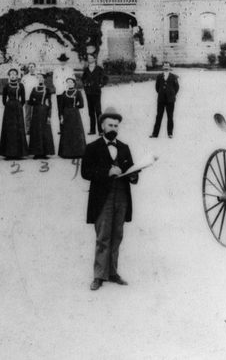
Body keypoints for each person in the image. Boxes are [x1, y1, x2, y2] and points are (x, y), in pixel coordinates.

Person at [81, 110, 139, 290]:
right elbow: (85, 172)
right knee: (103, 236)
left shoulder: (124, 147)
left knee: (117, 235)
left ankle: (113, 273)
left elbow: (131, 169)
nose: (113, 128)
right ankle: (99, 276)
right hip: (102, 198)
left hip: (121, 196)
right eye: (110, 125)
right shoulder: (92, 148)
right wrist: (107, 172)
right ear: (103, 126)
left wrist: (133, 175)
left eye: (116, 125)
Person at [0, 68, 27, 160]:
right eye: (11, 74)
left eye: (14, 74)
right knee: (9, 129)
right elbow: (3, 99)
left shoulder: (21, 85)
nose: (13, 75)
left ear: (17, 75)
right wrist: (8, 104)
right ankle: (8, 153)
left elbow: (23, 99)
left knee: (18, 129)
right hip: (9, 109)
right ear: (9, 76)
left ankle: (19, 152)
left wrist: (18, 105)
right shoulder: (6, 86)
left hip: (18, 108)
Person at [57, 77, 86, 159]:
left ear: (74, 83)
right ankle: (66, 153)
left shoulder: (78, 92)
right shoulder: (64, 93)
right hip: (66, 114)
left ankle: (78, 152)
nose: (69, 84)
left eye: (71, 82)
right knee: (67, 132)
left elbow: (82, 104)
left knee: (76, 132)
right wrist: (61, 116)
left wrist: (74, 107)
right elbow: (61, 106)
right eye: (68, 82)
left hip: (75, 115)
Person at [26, 77, 55, 159]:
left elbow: (49, 103)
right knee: (36, 131)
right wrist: (35, 102)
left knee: (44, 132)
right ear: (37, 80)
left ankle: (44, 153)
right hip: (36, 112)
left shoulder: (47, 89)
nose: (40, 80)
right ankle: (36, 153)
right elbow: (30, 101)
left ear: (44, 80)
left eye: (42, 78)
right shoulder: (34, 89)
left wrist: (49, 115)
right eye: (39, 78)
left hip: (44, 112)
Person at [150, 61, 180, 138]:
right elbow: (157, 88)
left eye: (167, 66)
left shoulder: (173, 77)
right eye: (165, 66)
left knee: (170, 116)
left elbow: (176, 88)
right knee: (159, 116)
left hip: (170, 100)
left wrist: (172, 94)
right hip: (161, 100)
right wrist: (162, 93)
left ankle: (170, 133)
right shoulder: (159, 76)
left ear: (169, 68)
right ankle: (155, 134)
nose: (166, 68)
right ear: (163, 67)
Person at [80, 56, 108, 135]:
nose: (90, 60)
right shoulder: (86, 70)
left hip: (96, 92)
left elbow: (105, 78)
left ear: (95, 59)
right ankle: (92, 130)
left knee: (98, 111)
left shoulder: (99, 69)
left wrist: (101, 84)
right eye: (89, 59)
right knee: (90, 111)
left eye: (91, 58)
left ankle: (101, 130)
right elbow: (83, 79)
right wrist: (85, 84)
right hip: (88, 93)